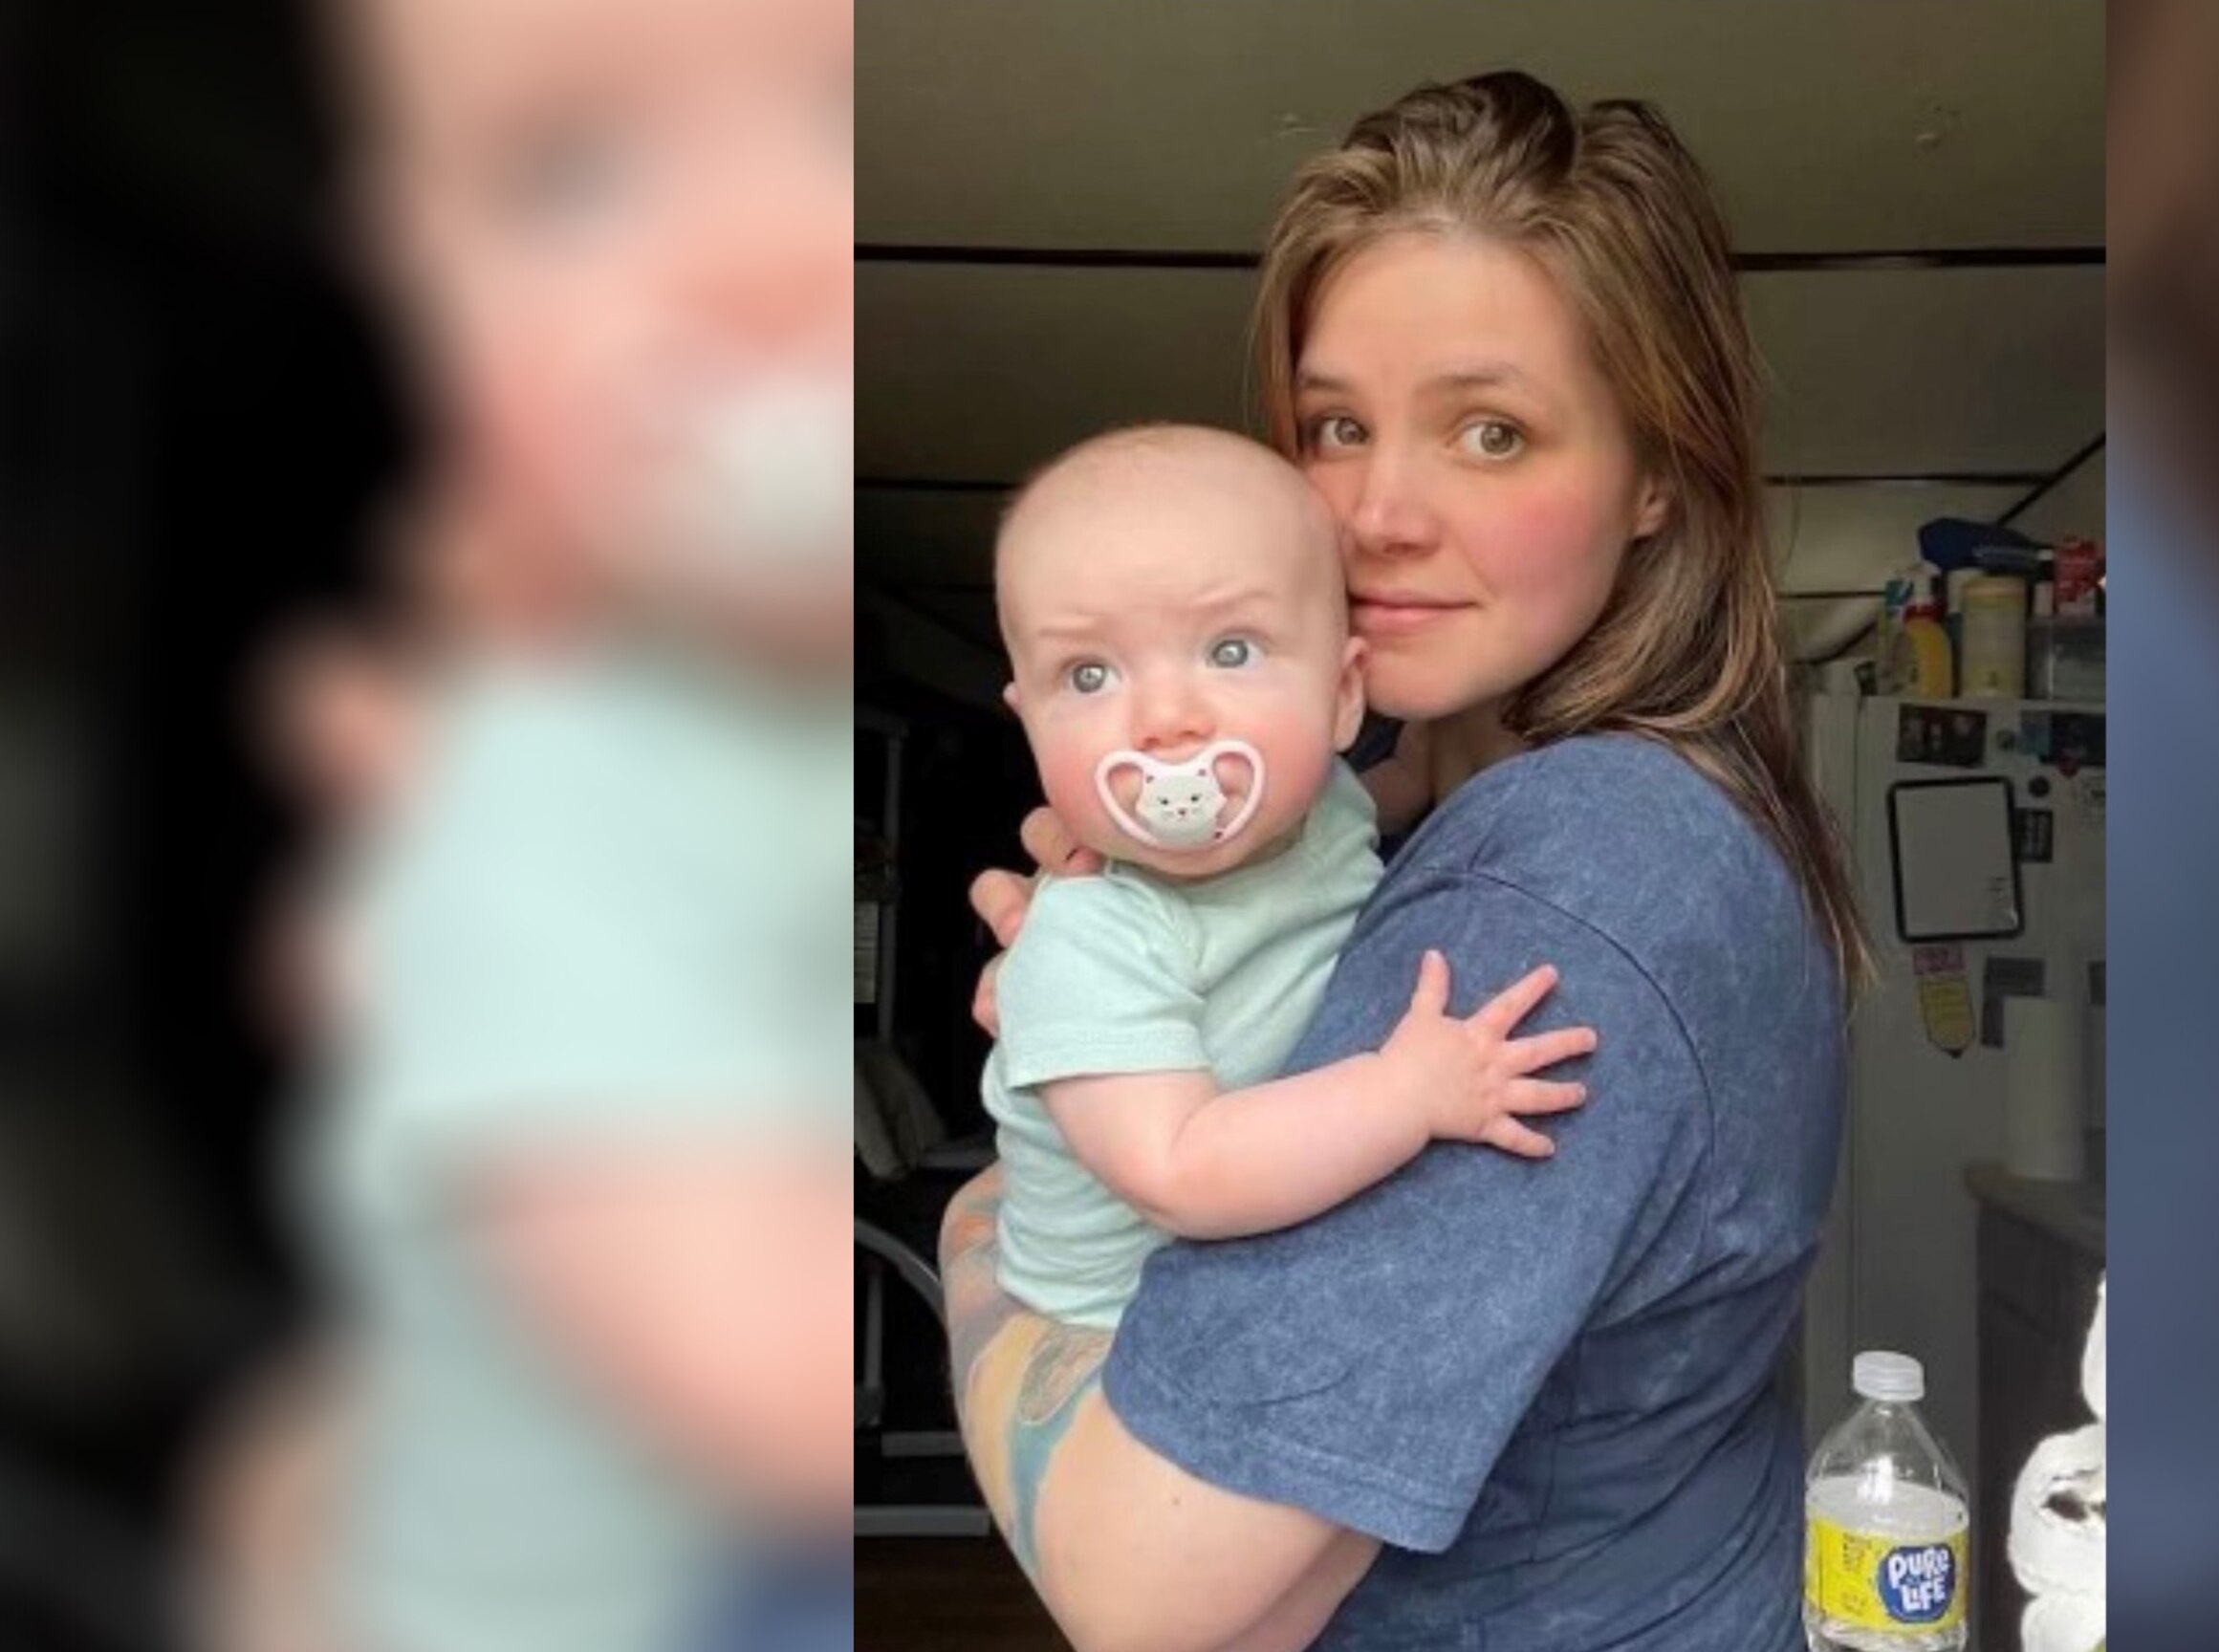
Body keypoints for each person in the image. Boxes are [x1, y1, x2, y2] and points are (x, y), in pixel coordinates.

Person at [946, 71, 1862, 1651]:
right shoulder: (1413, 825)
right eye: (1333, 425)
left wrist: (984, 1221)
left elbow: (1139, 1582)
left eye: (1489, 431)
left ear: (1657, 473)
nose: (1375, 512)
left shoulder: (1568, 876)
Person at [188, 0, 857, 1648]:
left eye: (842, 116)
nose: (759, 251)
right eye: (571, 174)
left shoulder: (708, 735)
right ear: (420, 291)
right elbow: (766, 1384)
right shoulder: (548, 795)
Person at [971, 424, 1598, 1571]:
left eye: (1231, 649)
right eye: (1090, 675)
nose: (1162, 722)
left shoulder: (1328, 811)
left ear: (1344, 694)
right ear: (1031, 721)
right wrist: (1404, 1094)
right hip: (1113, 1325)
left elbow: (1402, 784)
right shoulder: (1092, 935)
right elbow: (1186, 1168)